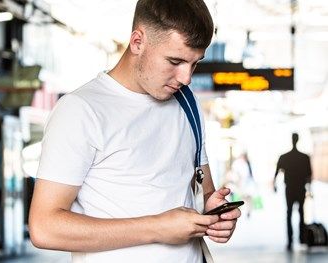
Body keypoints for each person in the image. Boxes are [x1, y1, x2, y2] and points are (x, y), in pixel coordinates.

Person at [29, 0, 241, 262]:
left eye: (194, 63)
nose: (186, 77)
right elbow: (44, 227)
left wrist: (214, 213)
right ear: (137, 41)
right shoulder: (81, 110)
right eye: (175, 60)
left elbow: (204, 190)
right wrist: (156, 228)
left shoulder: (187, 103)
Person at [274, 133, 312, 251]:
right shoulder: (304, 157)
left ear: (292, 140)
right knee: (301, 213)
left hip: (290, 189)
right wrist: (310, 189)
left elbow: (277, 171)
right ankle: (301, 238)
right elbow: (309, 174)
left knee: (289, 213)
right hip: (300, 188)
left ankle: (290, 240)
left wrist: (274, 184)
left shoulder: (285, 157)